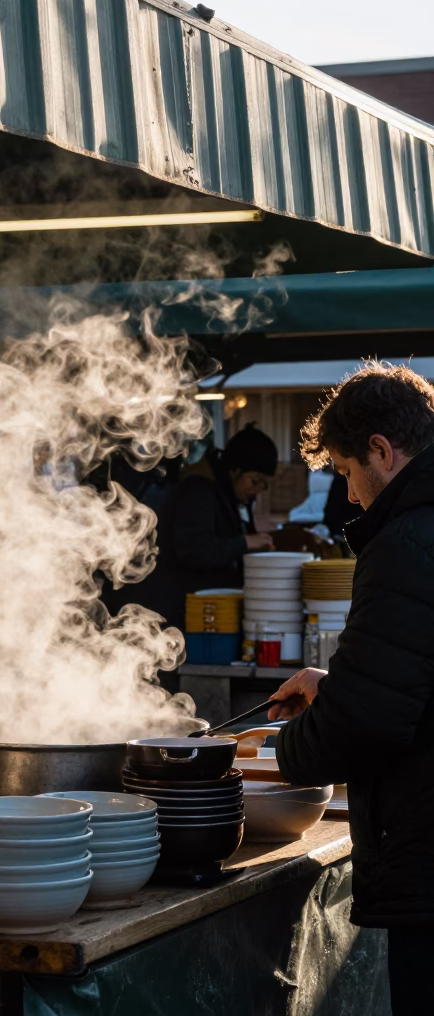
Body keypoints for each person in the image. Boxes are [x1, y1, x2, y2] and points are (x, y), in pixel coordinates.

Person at [268, 362, 434, 1015]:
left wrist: (287, 753)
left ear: (381, 452)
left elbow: (367, 721)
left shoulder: (406, 541)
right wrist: (335, 684)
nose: (352, 495)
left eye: (344, 470)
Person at [107, 424, 277, 630]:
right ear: (234, 470)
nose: (257, 490)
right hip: (183, 616)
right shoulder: (199, 491)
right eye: (255, 481)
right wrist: (244, 543)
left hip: (208, 614)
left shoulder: (225, 496)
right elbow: (194, 549)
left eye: (264, 485)